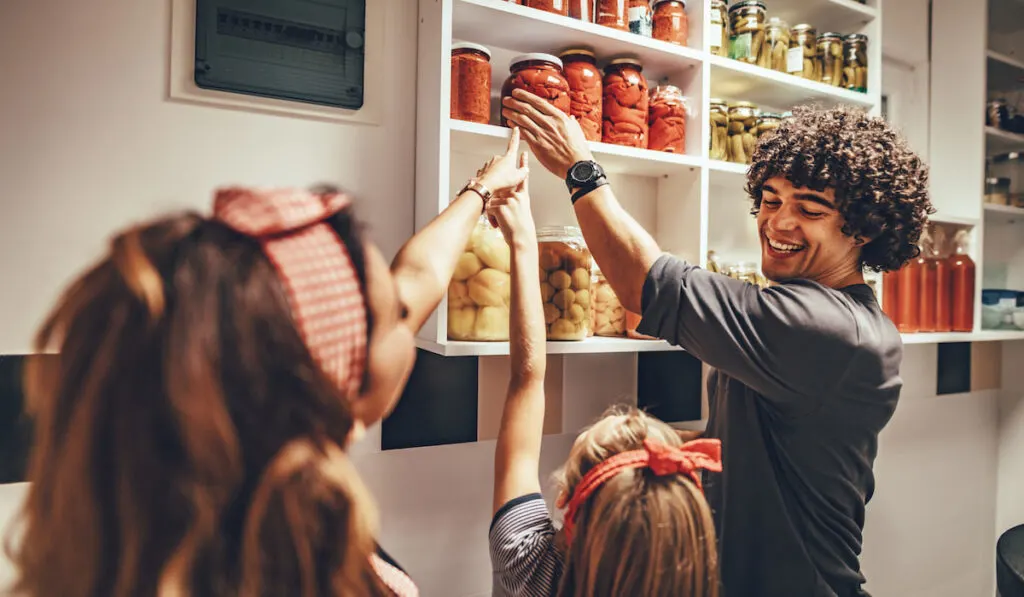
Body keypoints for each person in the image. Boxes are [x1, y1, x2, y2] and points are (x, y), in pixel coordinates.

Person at [4, 131, 530, 597]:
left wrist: (481, 191)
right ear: (325, 388)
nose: (408, 309)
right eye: (396, 315)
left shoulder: (126, 539)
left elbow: (419, 275)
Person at [500, 92, 933, 597]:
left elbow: (645, 286)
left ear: (862, 228)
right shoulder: (828, 318)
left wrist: (579, 169)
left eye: (810, 209)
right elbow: (757, 442)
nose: (779, 223)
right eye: (770, 200)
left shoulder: (825, 328)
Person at [484, 151, 723, 597]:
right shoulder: (696, 579)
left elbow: (526, 381)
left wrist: (522, 241)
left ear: (566, 512)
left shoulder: (528, 564)